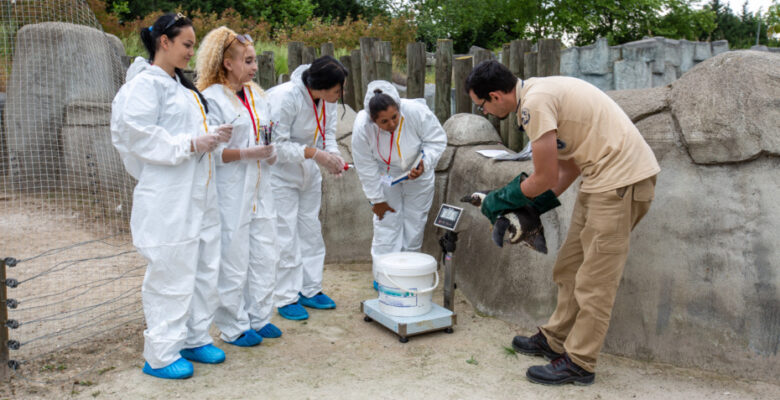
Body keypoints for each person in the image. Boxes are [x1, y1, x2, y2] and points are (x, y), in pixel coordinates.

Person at [465, 60, 659, 386]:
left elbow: (544, 176)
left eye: (481, 104)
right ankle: (555, 339)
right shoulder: (539, 93)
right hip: (600, 180)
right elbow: (568, 168)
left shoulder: (535, 104)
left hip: (620, 184)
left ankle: (580, 362)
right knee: (569, 267)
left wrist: (500, 200)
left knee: (595, 281)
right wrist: (534, 207)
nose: (483, 111)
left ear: (496, 96)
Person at [111, 13, 230, 379]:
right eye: (187, 45)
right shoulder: (145, 86)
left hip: (199, 192)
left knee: (204, 266)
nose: (191, 54)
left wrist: (210, 135)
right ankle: (161, 354)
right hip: (168, 196)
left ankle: (194, 337)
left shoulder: (181, 87)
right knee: (171, 272)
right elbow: (134, 134)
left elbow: (185, 131)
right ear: (164, 42)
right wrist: (190, 143)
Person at [195, 27, 282, 348]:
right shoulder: (213, 98)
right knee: (233, 257)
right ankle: (233, 325)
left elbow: (267, 133)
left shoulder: (258, 95)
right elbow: (212, 153)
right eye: (247, 61)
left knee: (264, 253)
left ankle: (259, 316)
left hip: (261, 188)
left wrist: (268, 151)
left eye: (255, 60)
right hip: (231, 191)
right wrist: (248, 153)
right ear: (227, 63)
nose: (254, 67)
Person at [266, 56, 349, 320]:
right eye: (337, 89)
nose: (340, 94)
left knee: (310, 229)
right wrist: (315, 154)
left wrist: (333, 159)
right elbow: (275, 146)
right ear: (322, 86)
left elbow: (328, 133)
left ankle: (310, 289)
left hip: (308, 171)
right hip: (280, 174)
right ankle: (286, 297)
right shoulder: (285, 98)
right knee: (285, 233)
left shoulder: (328, 101)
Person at [351, 81, 447, 287]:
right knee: (386, 222)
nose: (392, 124)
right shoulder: (362, 126)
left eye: (394, 117)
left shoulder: (415, 111)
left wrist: (424, 163)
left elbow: (436, 140)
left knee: (414, 222)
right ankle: (383, 275)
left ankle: (407, 274)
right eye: (384, 122)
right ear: (372, 119)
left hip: (417, 169)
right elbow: (365, 166)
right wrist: (376, 199)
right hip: (384, 173)